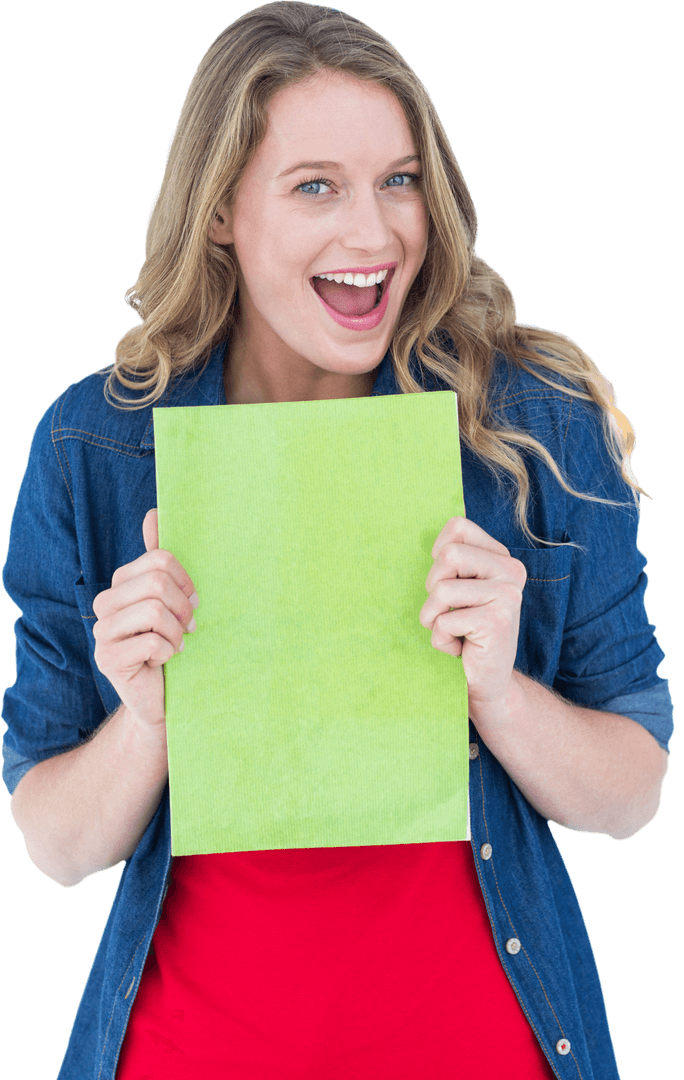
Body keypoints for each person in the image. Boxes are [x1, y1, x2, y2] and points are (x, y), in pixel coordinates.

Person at [2, 3, 673, 1078]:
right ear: (223, 210)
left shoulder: (532, 425)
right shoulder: (100, 445)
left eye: (399, 181)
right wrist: (144, 719)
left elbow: (633, 794)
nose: (375, 235)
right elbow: (58, 846)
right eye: (316, 185)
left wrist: (500, 691)